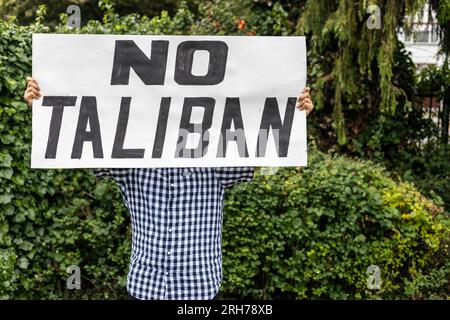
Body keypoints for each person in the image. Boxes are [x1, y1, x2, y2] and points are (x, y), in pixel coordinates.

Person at [24, 76, 314, 300]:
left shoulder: (214, 160)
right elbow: (77, 141)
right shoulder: (131, 161)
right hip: (145, 286)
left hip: (198, 287)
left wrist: (296, 116)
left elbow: (266, 150)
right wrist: (41, 106)